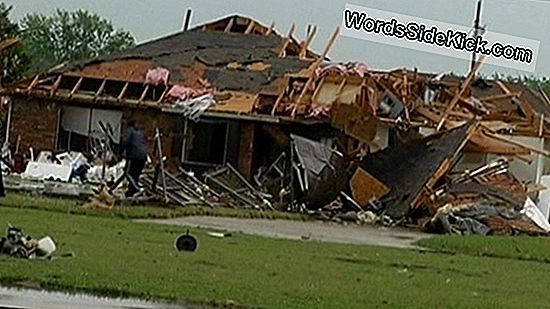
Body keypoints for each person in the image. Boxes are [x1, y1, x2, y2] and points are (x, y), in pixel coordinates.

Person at [121, 120, 148, 197]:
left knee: (128, 173)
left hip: (134, 156)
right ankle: (131, 192)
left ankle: (137, 189)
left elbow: (125, 142)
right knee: (135, 175)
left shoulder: (130, 131)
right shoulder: (139, 133)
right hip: (143, 157)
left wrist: (120, 151)